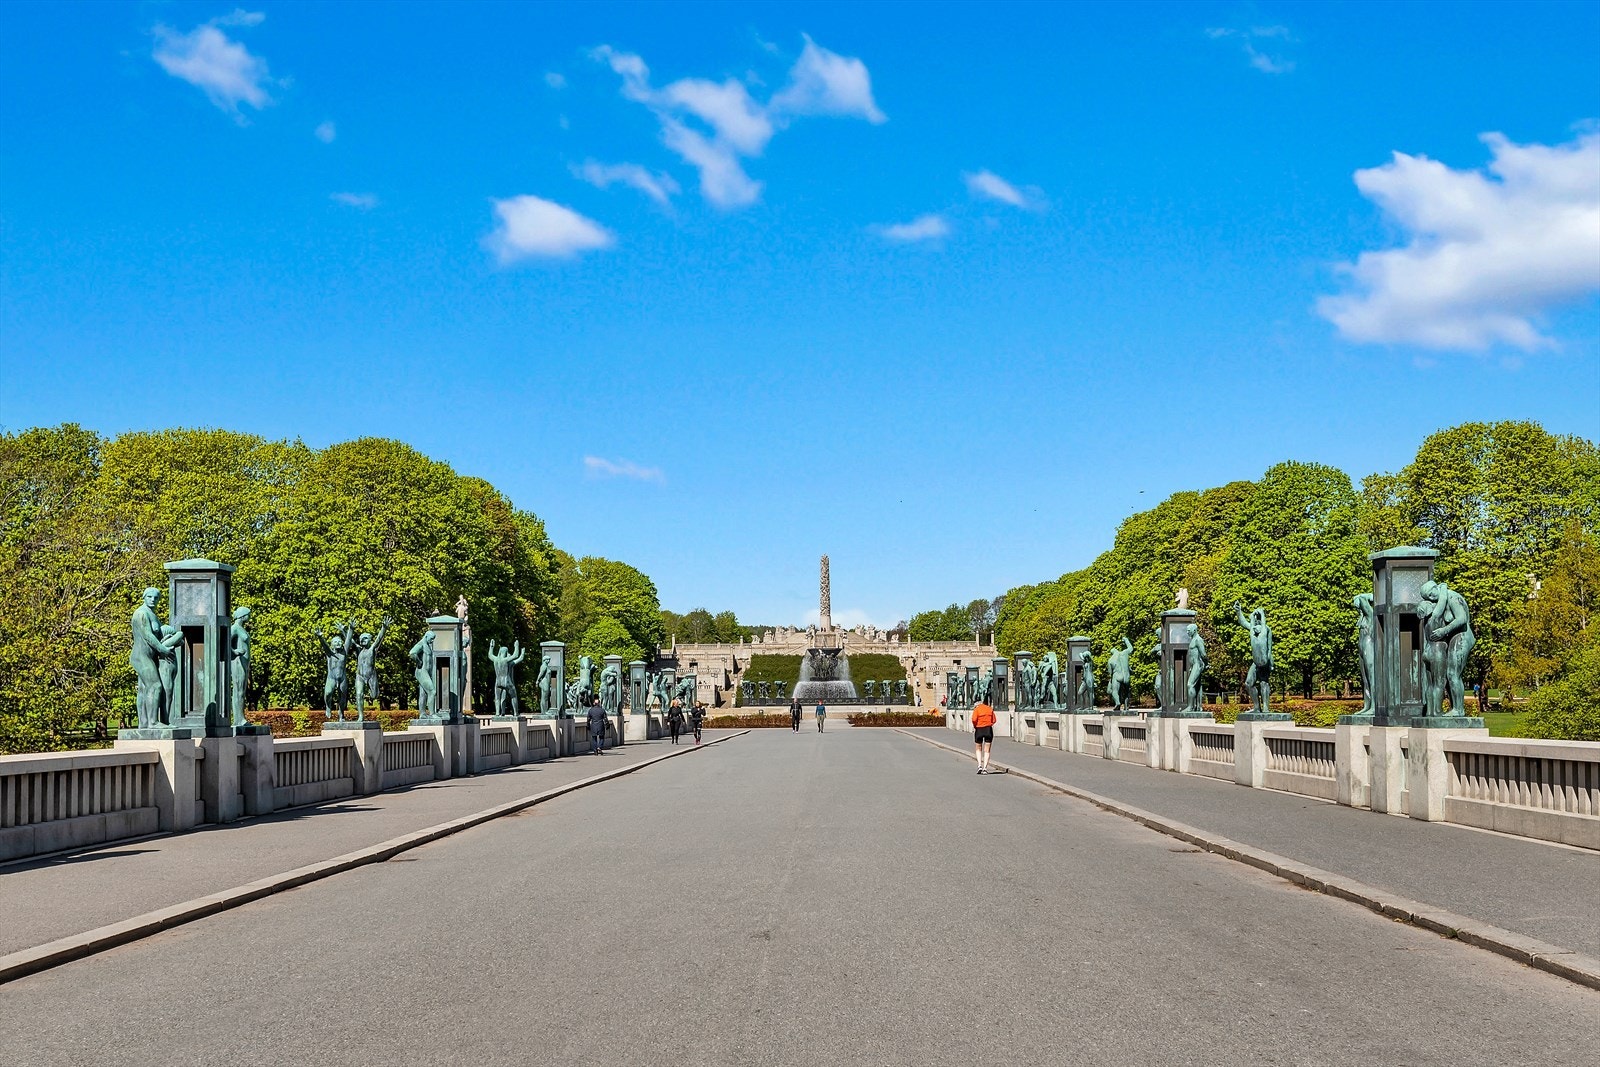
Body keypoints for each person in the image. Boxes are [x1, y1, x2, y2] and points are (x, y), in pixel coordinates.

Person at [971, 699, 996, 773]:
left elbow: (974, 719)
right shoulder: (989, 708)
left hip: (979, 729)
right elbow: (994, 720)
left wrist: (975, 726)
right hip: (988, 729)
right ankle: (985, 768)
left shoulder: (977, 709)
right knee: (987, 750)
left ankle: (979, 765)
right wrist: (988, 724)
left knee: (978, 748)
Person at [585, 691, 606, 755]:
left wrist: (588, 725)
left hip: (593, 725)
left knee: (594, 738)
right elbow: (605, 718)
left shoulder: (591, 710)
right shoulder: (602, 710)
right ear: (599, 703)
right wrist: (607, 725)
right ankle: (599, 747)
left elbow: (588, 719)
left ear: (594, 703)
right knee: (601, 737)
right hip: (600, 725)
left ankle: (595, 751)